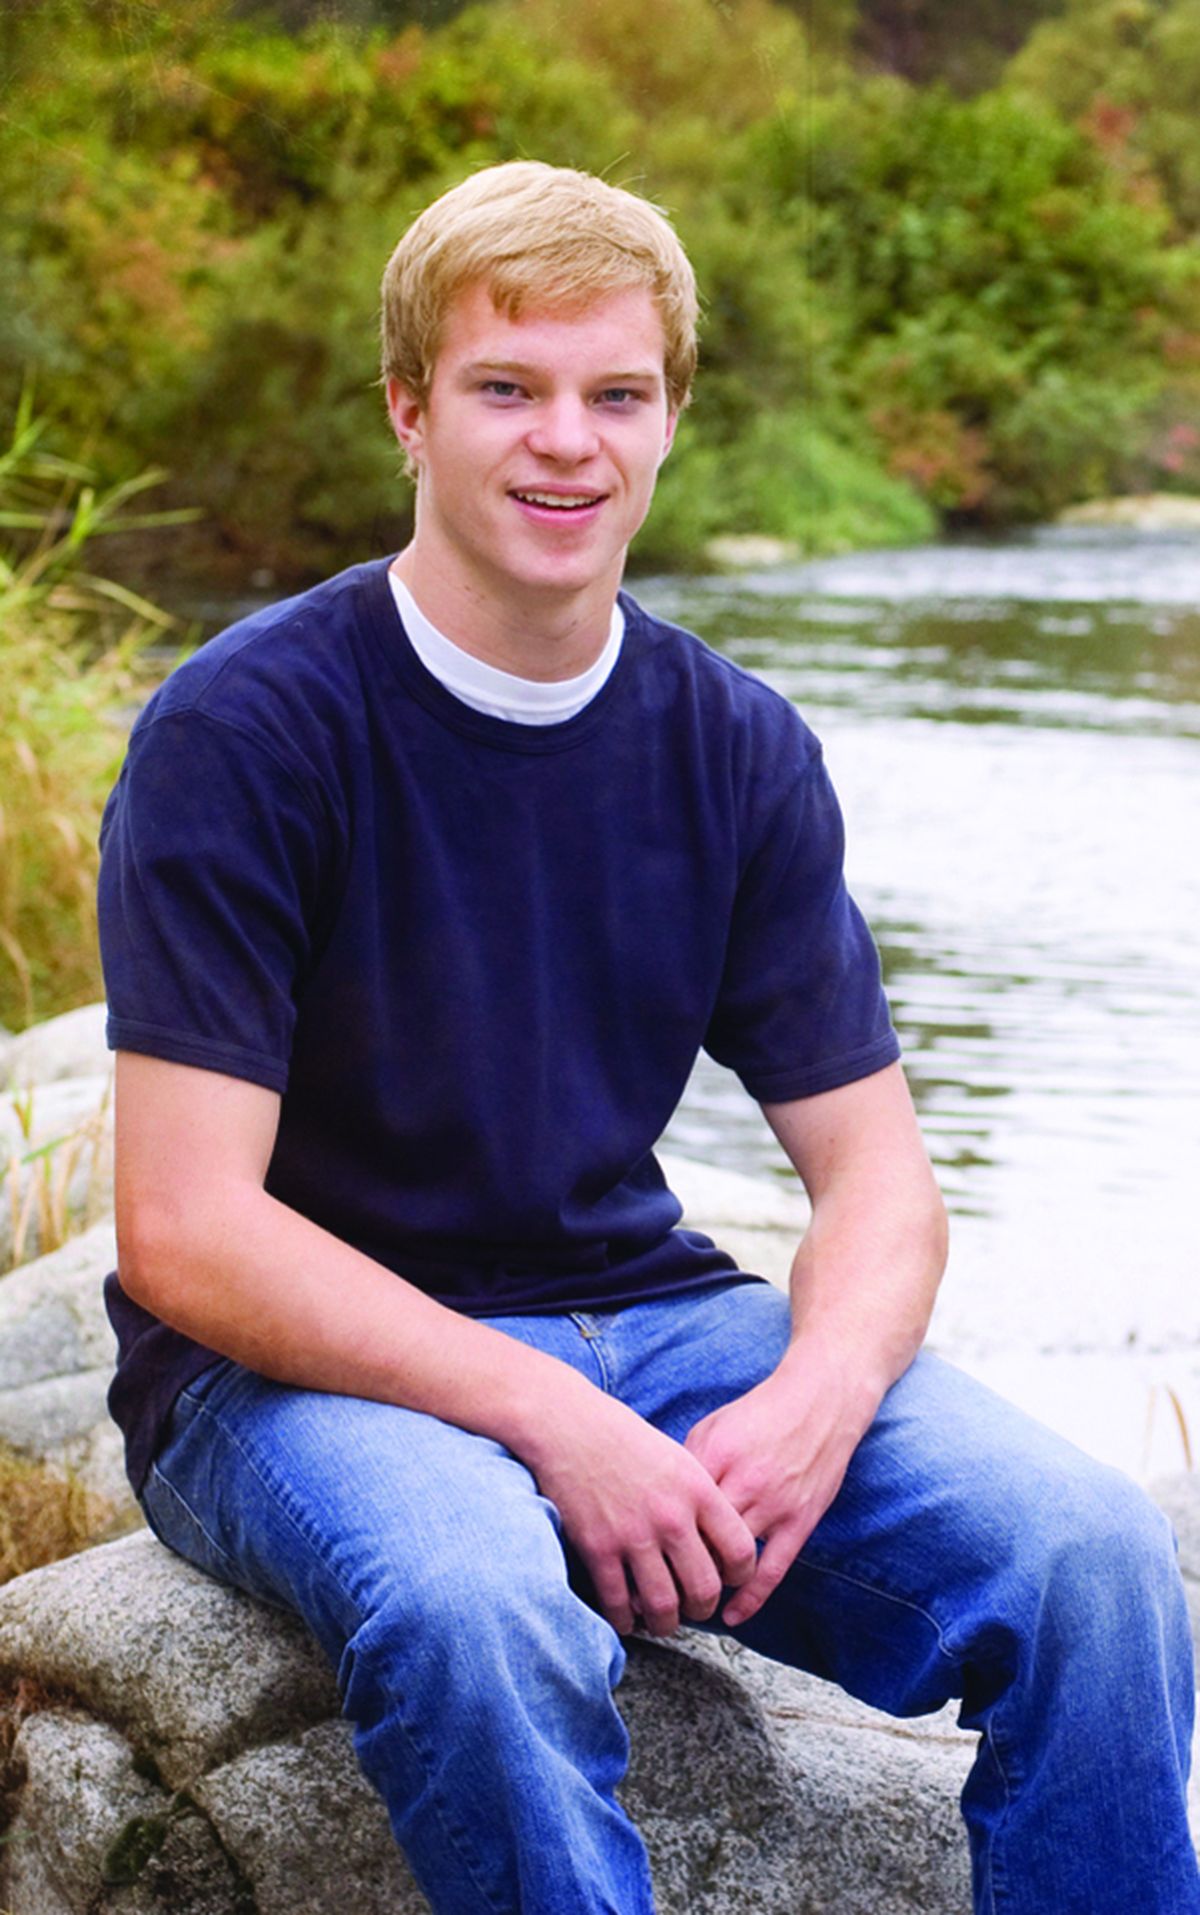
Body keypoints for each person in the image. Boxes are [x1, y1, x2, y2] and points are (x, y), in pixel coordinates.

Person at [98, 160, 1199, 1915]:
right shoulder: (248, 727)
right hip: (290, 1375)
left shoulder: (735, 744)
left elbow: (883, 1183)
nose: (568, 444)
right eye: (507, 389)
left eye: (619, 394)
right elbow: (185, 1226)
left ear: (673, 417)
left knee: (1099, 1561)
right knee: (478, 1606)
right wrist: (546, 1415)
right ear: (408, 411)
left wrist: (819, 1401)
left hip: (659, 1322)